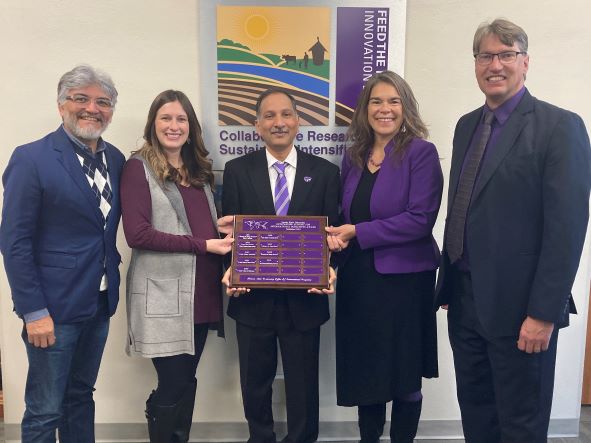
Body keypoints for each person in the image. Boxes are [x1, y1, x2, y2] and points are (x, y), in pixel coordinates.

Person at [435, 18, 591, 442]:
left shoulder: (560, 127)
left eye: (506, 55)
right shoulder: (467, 124)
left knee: (520, 425)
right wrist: (451, 281)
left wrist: (543, 313)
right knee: (478, 418)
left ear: (526, 63)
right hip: (465, 301)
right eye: (485, 55)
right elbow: (465, 206)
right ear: (475, 64)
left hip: (523, 309)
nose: (495, 65)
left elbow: (567, 230)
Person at [0, 65, 125, 442]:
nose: (92, 108)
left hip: (100, 302)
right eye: (81, 98)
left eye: (102, 102)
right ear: (61, 105)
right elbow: (14, 242)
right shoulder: (32, 158)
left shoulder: (116, 160)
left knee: (80, 398)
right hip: (52, 309)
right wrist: (33, 311)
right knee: (44, 409)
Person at [325, 70, 443, 443]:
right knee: (367, 372)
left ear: (405, 108)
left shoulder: (421, 154)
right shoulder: (354, 158)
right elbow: (345, 218)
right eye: (376, 101)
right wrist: (330, 251)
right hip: (360, 280)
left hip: (405, 283)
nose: (384, 109)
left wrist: (358, 232)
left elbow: (419, 221)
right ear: (365, 109)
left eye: (393, 101)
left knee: (404, 374)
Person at [221, 88, 340, 443]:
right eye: (269, 116)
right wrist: (231, 271)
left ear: (298, 122)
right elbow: (232, 236)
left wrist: (331, 269)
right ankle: (261, 438)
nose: (279, 122)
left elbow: (332, 235)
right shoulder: (237, 171)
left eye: (286, 114)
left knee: (303, 386)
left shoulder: (325, 173)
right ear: (257, 125)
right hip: (252, 298)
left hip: (305, 298)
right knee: (254, 384)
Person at [120, 90, 233, 442]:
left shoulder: (198, 171)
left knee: (186, 379)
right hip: (164, 296)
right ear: (153, 124)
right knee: (173, 381)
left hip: (200, 294)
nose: (174, 126)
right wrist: (204, 244)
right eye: (166, 118)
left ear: (191, 127)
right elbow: (138, 234)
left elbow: (193, 225)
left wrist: (220, 229)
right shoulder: (138, 167)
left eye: (181, 119)